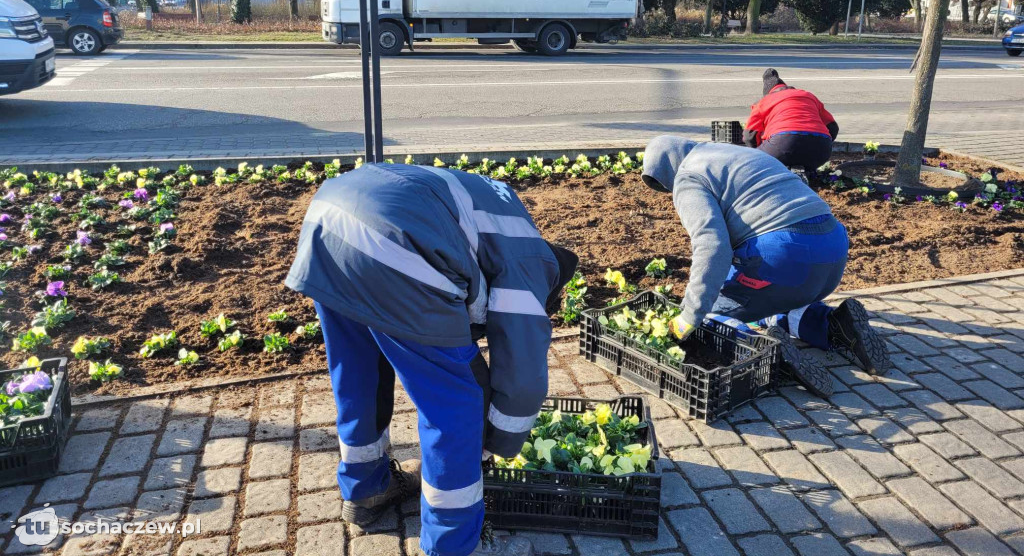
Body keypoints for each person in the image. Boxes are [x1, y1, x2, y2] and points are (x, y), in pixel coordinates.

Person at [286, 162, 578, 556]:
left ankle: (366, 490)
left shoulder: (509, 217)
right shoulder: (530, 265)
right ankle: (453, 544)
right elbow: (522, 377)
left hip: (328, 225)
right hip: (395, 249)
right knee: (459, 402)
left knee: (359, 372)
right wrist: (495, 445)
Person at [641, 134, 890, 397]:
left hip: (785, 256)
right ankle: (834, 324)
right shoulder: (741, 154)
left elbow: (712, 246)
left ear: (666, 171)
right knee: (765, 303)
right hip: (832, 252)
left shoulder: (688, 177)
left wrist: (689, 316)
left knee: (710, 312)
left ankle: (764, 349)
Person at [744, 68, 839, 171]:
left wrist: (757, 150)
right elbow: (832, 127)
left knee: (758, 160)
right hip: (821, 149)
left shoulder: (763, 101)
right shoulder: (808, 96)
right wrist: (821, 144)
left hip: (783, 143)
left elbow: (750, 135)